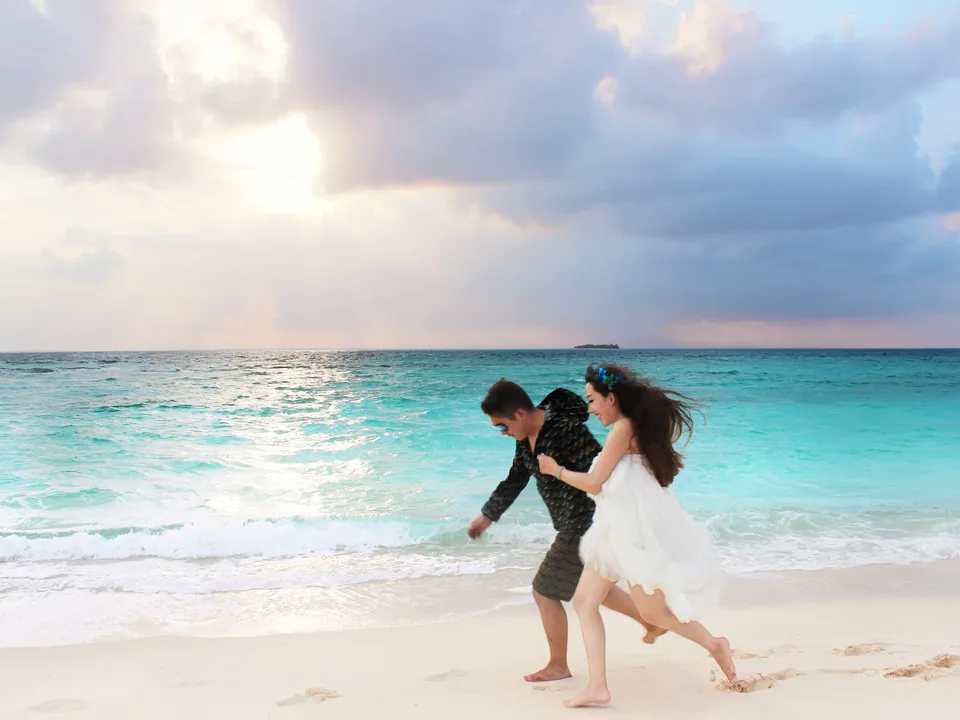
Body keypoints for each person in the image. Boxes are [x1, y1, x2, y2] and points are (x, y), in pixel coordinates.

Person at [537, 363, 736, 707]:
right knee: (585, 602)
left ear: (611, 398)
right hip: (616, 527)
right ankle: (597, 687)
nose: (590, 409)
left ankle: (714, 644)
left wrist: (556, 470)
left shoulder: (623, 428)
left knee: (653, 613)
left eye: (592, 400)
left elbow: (594, 483)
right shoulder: (633, 427)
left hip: (630, 533)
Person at [468, 379, 666, 683]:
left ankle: (558, 665)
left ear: (519, 413)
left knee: (544, 590)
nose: (502, 432)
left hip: (585, 521)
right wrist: (487, 516)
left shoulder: (564, 431)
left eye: (502, 426)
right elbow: (515, 479)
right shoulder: (525, 439)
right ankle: (652, 621)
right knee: (585, 586)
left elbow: (601, 467)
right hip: (575, 522)